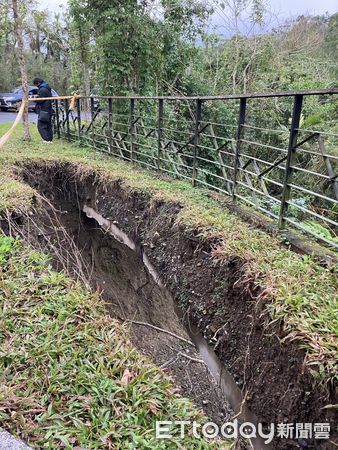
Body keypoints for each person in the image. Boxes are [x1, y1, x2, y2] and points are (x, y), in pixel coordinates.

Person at [33, 77, 53, 143]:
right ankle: (49, 139)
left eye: (35, 85)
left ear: (38, 83)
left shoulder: (42, 90)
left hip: (44, 109)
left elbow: (40, 100)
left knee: (41, 125)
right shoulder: (47, 88)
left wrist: (35, 99)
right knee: (48, 125)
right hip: (48, 108)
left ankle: (46, 139)